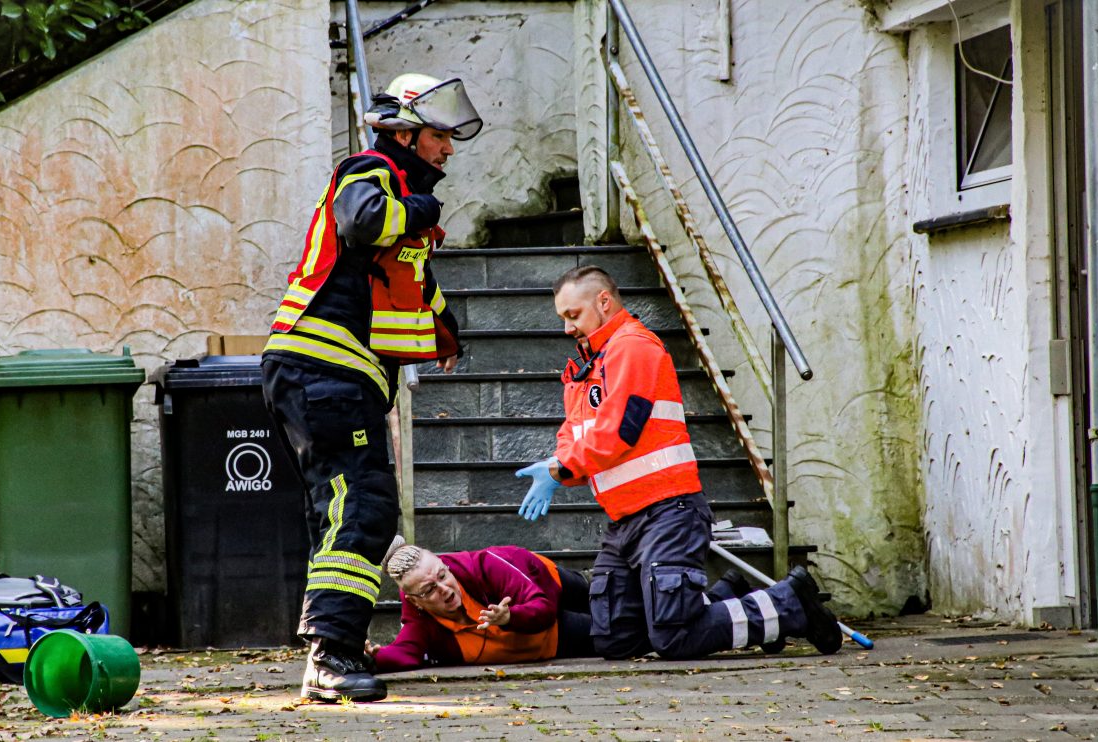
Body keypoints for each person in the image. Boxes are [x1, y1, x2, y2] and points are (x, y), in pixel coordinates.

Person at [260, 73, 483, 703]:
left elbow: (404, 282)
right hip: (321, 367)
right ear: (407, 132)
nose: (447, 150)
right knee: (363, 503)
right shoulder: (371, 166)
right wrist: (423, 209)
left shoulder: (402, 199)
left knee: (346, 508)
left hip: (333, 375)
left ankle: (333, 648)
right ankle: (330, 656)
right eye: (439, 136)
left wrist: (445, 331)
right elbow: (361, 222)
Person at [514, 265, 844, 660]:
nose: (568, 328)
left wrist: (560, 469)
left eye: (573, 315)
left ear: (604, 301)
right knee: (614, 640)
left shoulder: (633, 347)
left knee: (674, 638)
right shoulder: (588, 367)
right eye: (563, 318)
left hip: (668, 511)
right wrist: (558, 462)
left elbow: (620, 432)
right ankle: (729, 600)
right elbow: (573, 432)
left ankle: (789, 604)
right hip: (627, 521)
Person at [367, 538, 594, 671]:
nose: (444, 589)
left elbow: (543, 607)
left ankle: (594, 579)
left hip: (543, 580)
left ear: (445, 564)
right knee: (610, 632)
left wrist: (509, 617)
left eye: (443, 575)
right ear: (414, 600)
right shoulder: (418, 613)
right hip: (548, 636)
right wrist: (371, 657)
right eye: (429, 590)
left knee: (595, 592)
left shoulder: (484, 565)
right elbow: (406, 652)